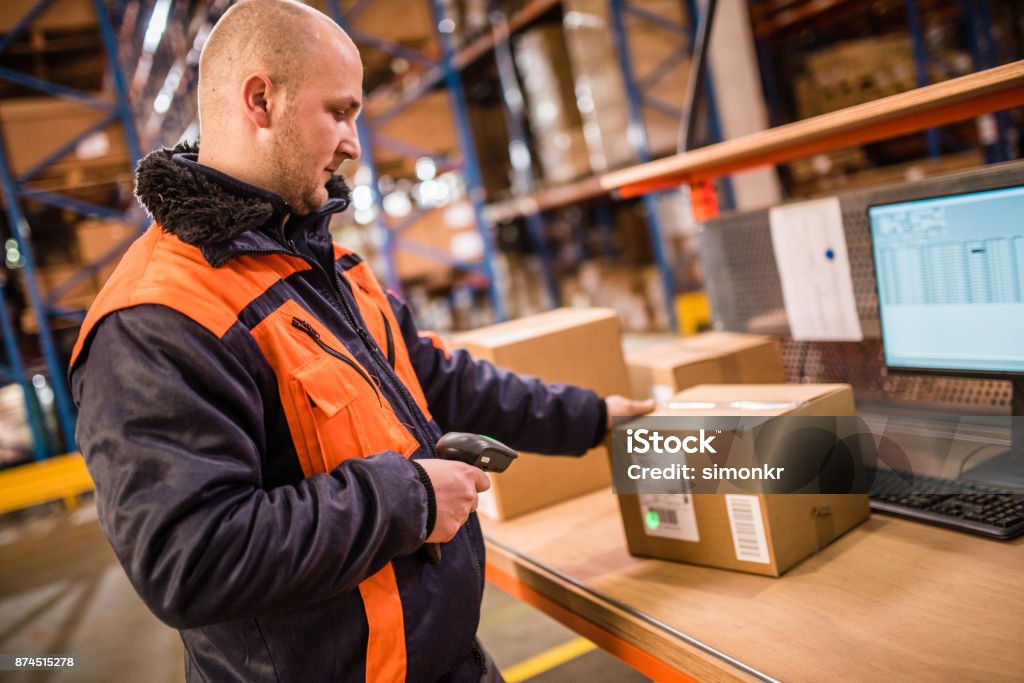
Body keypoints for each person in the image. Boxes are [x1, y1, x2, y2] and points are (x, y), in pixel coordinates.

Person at [69, 1, 652, 680]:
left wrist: (597, 419)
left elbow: (439, 380)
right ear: (261, 101)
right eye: (340, 112)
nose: (353, 142)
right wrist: (411, 498)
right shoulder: (156, 321)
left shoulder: (324, 266)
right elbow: (192, 558)